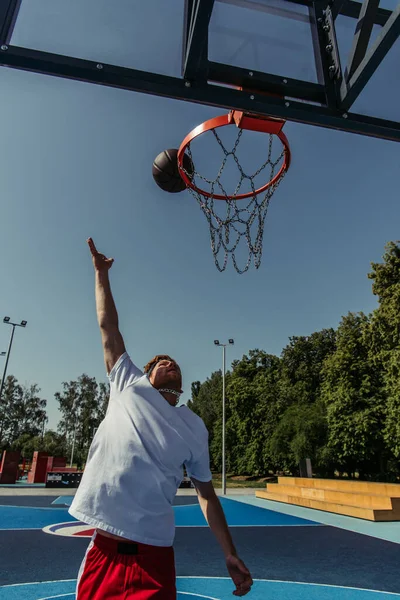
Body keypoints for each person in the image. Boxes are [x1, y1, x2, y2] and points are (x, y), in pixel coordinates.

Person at [69, 238, 253, 599]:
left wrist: (229, 551)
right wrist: (101, 275)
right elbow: (108, 327)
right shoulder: (127, 384)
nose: (170, 362)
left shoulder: (194, 427)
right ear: (147, 374)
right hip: (103, 554)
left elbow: (207, 497)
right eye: (161, 362)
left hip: (153, 558)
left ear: (181, 385)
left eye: (175, 363)